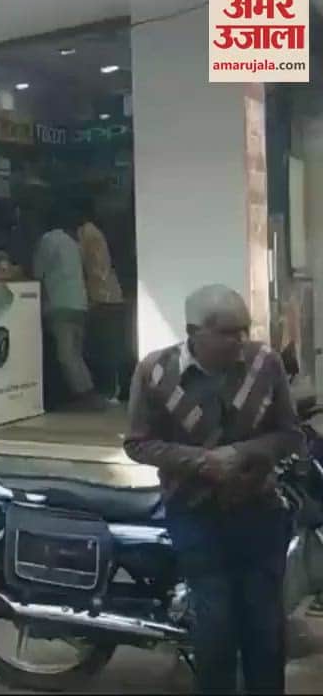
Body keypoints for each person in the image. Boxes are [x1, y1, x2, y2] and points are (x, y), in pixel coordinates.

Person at [124, 285, 299, 695]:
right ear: (193, 331)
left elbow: (291, 436)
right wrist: (199, 461)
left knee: (265, 628)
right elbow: (137, 443)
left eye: (244, 330)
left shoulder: (265, 364)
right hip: (195, 514)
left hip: (260, 512)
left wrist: (241, 452)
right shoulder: (154, 372)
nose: (240, 342)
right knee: (215, 626)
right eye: (228, 333)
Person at [33, 208, 101, 410]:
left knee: (66, 355)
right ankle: (88, 393)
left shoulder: (47, 241)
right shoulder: (72, 242)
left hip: (60, 304)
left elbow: (38, 272)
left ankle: (86, 396)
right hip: (79, 304)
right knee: (75, 353)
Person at [75, 197, 127, 403]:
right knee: (112, 347)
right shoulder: (96, 232)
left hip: (101, 296)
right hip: (111, 295)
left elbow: (81, 262)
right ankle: (116, 389)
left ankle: (109, 391)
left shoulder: (85, 232)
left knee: (104, 348)